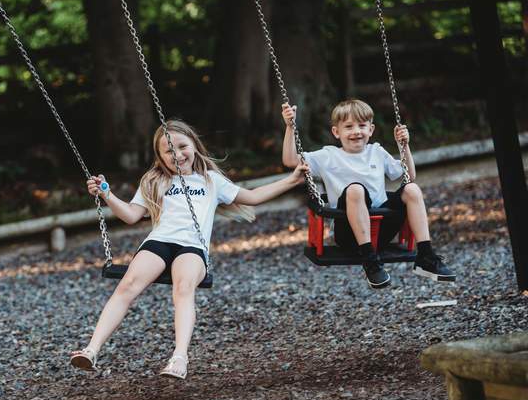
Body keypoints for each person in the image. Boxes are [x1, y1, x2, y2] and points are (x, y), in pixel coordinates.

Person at [71, 119, 309, 378]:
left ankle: (179, 358)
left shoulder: (211, 180)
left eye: (182, 146)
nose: (178, 155)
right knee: (127, 285)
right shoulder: (154, 180)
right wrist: (107, 194)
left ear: (194, 144)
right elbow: (130, 215)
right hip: (159, 242)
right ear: (160, 157)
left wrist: (291, 180)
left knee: (183, 288)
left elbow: (252, 197)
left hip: (192, 247)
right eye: (169, 152)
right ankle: (91, 350)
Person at [281, 99, 456, 289]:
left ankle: (426, 256)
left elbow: (408, 175)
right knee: (356, 189)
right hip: (348, 235)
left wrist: (404, 145)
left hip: (382, 231)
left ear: (371, 130)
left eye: (362, 125)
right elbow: (290, 160)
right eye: (348, 126)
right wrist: (290, 126)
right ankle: (370, 261)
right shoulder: (327, 156)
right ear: (336, 132)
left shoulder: (377, 152)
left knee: (412, 189)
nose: (356, 131)